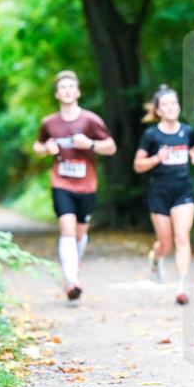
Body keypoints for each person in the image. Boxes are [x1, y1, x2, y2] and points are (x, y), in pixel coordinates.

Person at [34, 70, 117, 300]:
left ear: (78, 92)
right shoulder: (49, 123)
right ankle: (72, 281)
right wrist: (46, 148)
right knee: (67, 228)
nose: (67, 91)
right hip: (61, 182)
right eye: (63, 88)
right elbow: (38, 146)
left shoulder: (90, 120)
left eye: (71, 87)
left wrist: (89, 144)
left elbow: (111, 147)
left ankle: (74, 269)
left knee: (80, 233)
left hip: (87, 184)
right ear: (57, 94)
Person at [133, 85, 194, 305]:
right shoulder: (151, 135)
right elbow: (138, 165)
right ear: (158, 110)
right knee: (166, 244)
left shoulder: (188, 131)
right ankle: (156, 259)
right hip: (159, 191)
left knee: (182, 237)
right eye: (165, 104)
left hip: (183, 190)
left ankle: (182, 287)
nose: (171, 107)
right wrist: (157, 158)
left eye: (174, 103)